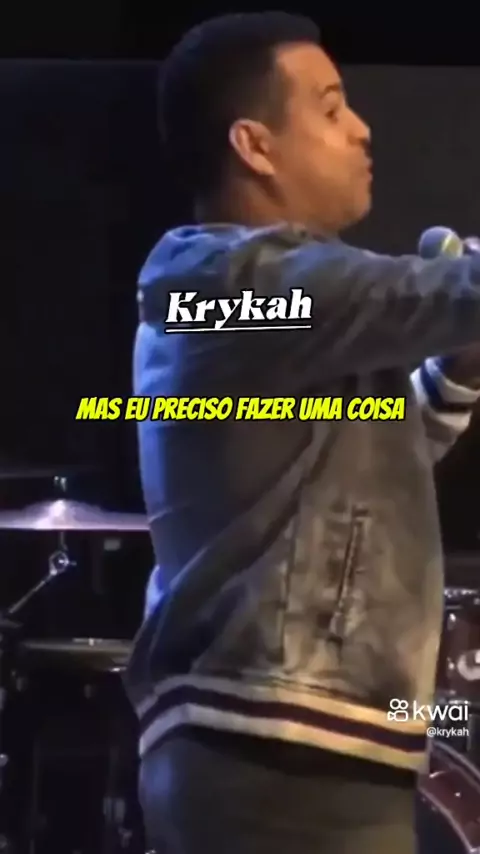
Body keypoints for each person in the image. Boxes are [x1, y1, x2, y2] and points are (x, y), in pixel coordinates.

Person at [124, 12, 480, 853]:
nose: (361, 129)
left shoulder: (293, 319)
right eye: (330, 107)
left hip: (299, 749)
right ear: (255, 145)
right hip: (270, 749)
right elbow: (408, 296)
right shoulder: (215, 287)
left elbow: (368, 460)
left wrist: (457, 368)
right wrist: (458, 291)